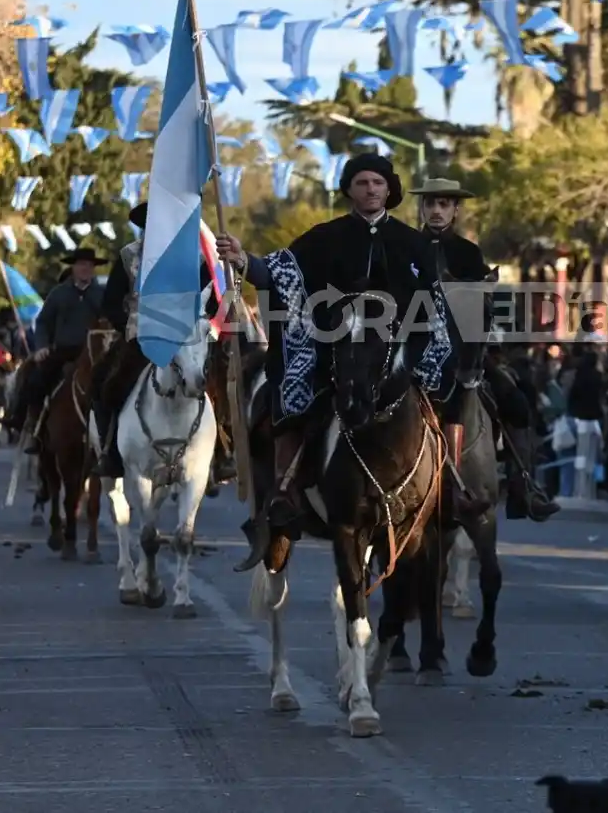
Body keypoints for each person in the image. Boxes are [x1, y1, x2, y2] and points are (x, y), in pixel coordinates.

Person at [217, 153, 460, 572]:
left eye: (378, 183)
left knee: (448, 390)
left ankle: (450, 486)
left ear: (389, 191)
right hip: (330, 349)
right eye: (362, 182)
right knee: (290, 395)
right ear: (349, 189)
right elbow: (281, 272)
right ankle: (284, 493)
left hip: (395, 355)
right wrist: (244, 260)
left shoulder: (413, 244)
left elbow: (433, 304)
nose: (370, 189)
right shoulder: (324, 237)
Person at [411, 176, 557, 521]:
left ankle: (524, 487)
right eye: (430, 203)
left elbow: (481, 307)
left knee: (517, 402)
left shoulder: (468, 252)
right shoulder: (405, 248)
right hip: (413, 350)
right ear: (421, 207)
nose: (436, 210)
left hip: (462, 354)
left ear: (455, 210)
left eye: (444, 204)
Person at [88, 204, 222, 479]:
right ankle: (111, 453)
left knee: (218, 381)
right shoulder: (127, 257)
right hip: (140, 337)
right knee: (103, 380)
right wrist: (129, 324)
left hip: (186, 337)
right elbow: (111, 303)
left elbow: (211, 290)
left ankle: (219, 455)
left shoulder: (191, 259)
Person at [7, 247, 108, 453]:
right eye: (81, 264)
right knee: (35, 377)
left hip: (95, 352)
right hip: (64, 350)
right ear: (73, 267)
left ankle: (117, 436)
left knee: (118, 380)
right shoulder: (59, 293)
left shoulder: (102, 294)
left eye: (89, 265)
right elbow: (43, 323)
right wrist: (42, 347)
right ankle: (28, 425)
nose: (85, 268)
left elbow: (112, 320)